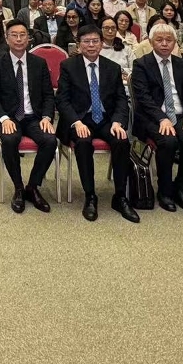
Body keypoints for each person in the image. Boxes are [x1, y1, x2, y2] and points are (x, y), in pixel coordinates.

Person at [56, 25, 139, 223]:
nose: (91, 45)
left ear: (102, 44)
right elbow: (62, 100)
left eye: (95, 41)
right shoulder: (68, 66)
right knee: (83, 142)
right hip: (80, 119)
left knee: (121, 140)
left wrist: (118, 122)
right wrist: (76, 122)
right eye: (86, 41)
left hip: (106, 119)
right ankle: (90, 195)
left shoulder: (112, 67)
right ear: (79, 45)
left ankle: (120, 196)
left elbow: (121, 100)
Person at [131, 22, 183, 212]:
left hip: (180, 115)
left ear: (174, 43)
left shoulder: (181, 64)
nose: (164, 44)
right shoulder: (141, 64)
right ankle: (165, 190)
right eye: (159, 40)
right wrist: (162, 118)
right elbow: (143, 98)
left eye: (169, 40)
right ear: (151, 42)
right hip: (153, 117)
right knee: (168, 141)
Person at [0, 20, 56, 214]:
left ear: (28, 38)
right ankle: (18, 187)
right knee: (10, 139)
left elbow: (48, 95)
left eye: (22, 35)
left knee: (50, 140)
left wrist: (46, 117)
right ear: (7, 38)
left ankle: (32, 187)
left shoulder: (39, 63)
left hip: (34, 117)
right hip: (9, 117)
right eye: (14, 35)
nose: (19, 39)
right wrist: (3, 118)